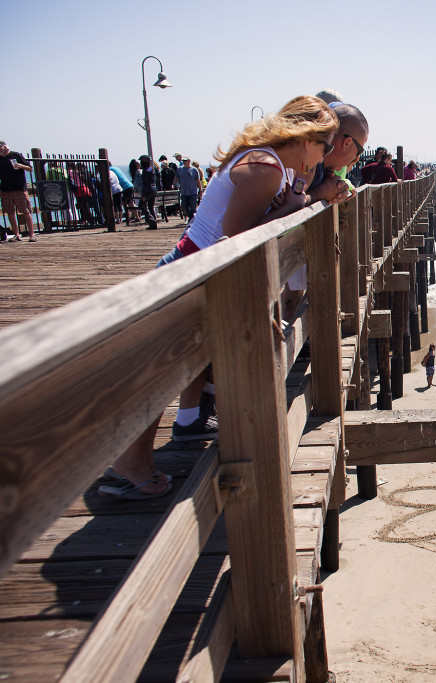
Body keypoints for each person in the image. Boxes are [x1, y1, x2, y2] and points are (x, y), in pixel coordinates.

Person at [100, 95, 336, 501]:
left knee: (170, 372)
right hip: (190, 274)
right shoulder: (263, 167)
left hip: (200, 273)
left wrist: (300, 198)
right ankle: (128, 467)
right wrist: (303, 203)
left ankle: (143, 457)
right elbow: (235, 239)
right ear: (305, 135)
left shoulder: (267, 163)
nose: (326, 154)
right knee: (160, 376)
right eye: (325, 144)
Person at [0, 140, 37, 242]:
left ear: (4, 147)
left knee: (25, 211)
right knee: (10, 212)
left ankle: (32, 234)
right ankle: (17, 235)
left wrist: (20, 166)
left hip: (19, 188)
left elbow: (30, 168)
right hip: (5, 189)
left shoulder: (15, 155)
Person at [175, 157, 201, 221]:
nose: (184, 162)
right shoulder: (180, 169)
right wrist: (174, 184)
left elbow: (198, 180)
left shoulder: (194, 170)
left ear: (189, 161)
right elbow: (176, 178)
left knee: (193, 208)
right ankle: (191, 218)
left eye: (185, 160)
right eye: (183, 160)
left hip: (193, 192)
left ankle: (193, 220)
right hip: (184, 192)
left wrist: (200, 189)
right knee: (185, 207)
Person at [138, 155, 159, 230]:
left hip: (148, 190)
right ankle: (154, 223)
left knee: (141, 205)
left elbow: (146, 184)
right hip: (153, 190)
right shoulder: (152, 169)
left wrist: (144, 195)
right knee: (150, 207)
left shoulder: (146, 171)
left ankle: (152, 221)